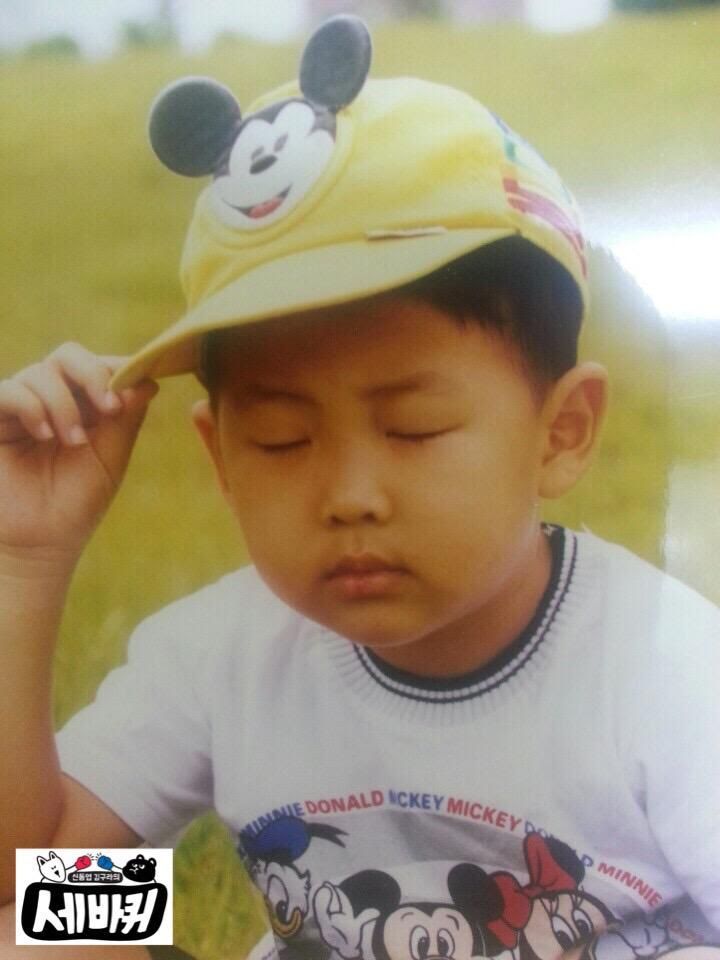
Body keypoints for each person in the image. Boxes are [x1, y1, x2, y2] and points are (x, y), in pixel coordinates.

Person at [0, 14, 718, 960]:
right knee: (38, 931)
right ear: (220, 456)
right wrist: (25, 560)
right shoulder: (226, 652)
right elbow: (29, 879)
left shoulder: (663, 669)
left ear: (562, 432)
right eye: (282, 440)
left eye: (414, 428)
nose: (349, 495)